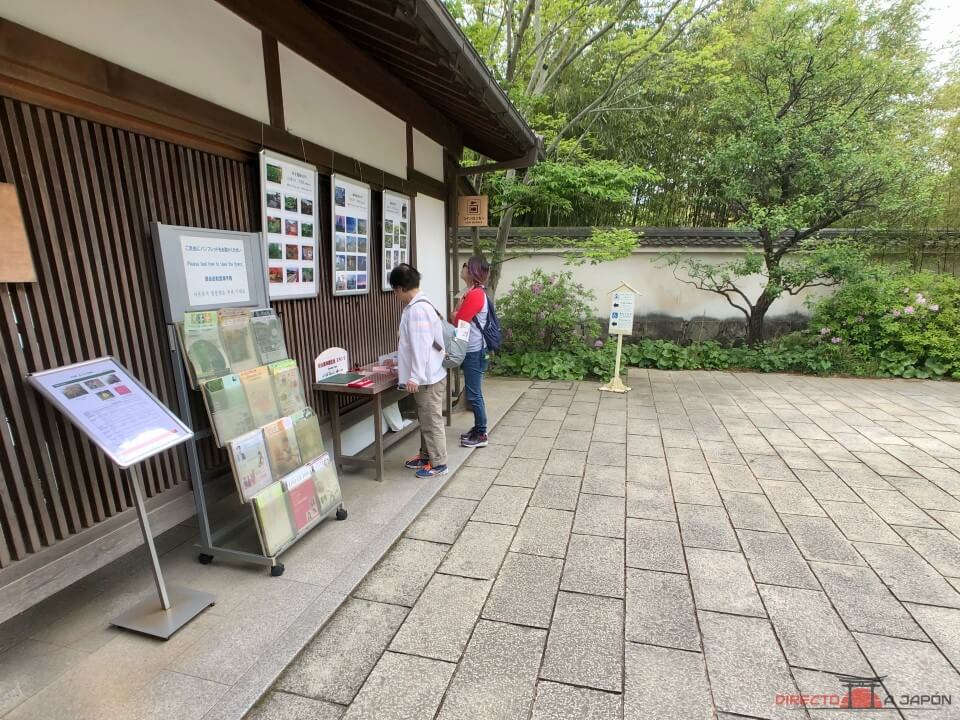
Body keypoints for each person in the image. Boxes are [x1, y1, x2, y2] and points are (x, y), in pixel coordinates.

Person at [390, 263, 448, 478]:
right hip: (430, 374)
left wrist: (414, 376)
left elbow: (422, 345)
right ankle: (426, 455)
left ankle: (439, 463)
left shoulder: (417, 309)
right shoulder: (419, 305)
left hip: (427, 378)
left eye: (395, 291)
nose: (395, 296)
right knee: (426, 418)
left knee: (431, 421)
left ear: (400, 288)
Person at [454, 257, 491, 448]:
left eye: (466, 266)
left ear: (473, 271)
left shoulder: (475, 294)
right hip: (474, 349)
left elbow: (460, 321)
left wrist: (455, 313)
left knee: (474, 393)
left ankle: (482, 433)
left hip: (474, 351)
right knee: (474, 392)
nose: (463, 268)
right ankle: (478, 428)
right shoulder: (472, 292)